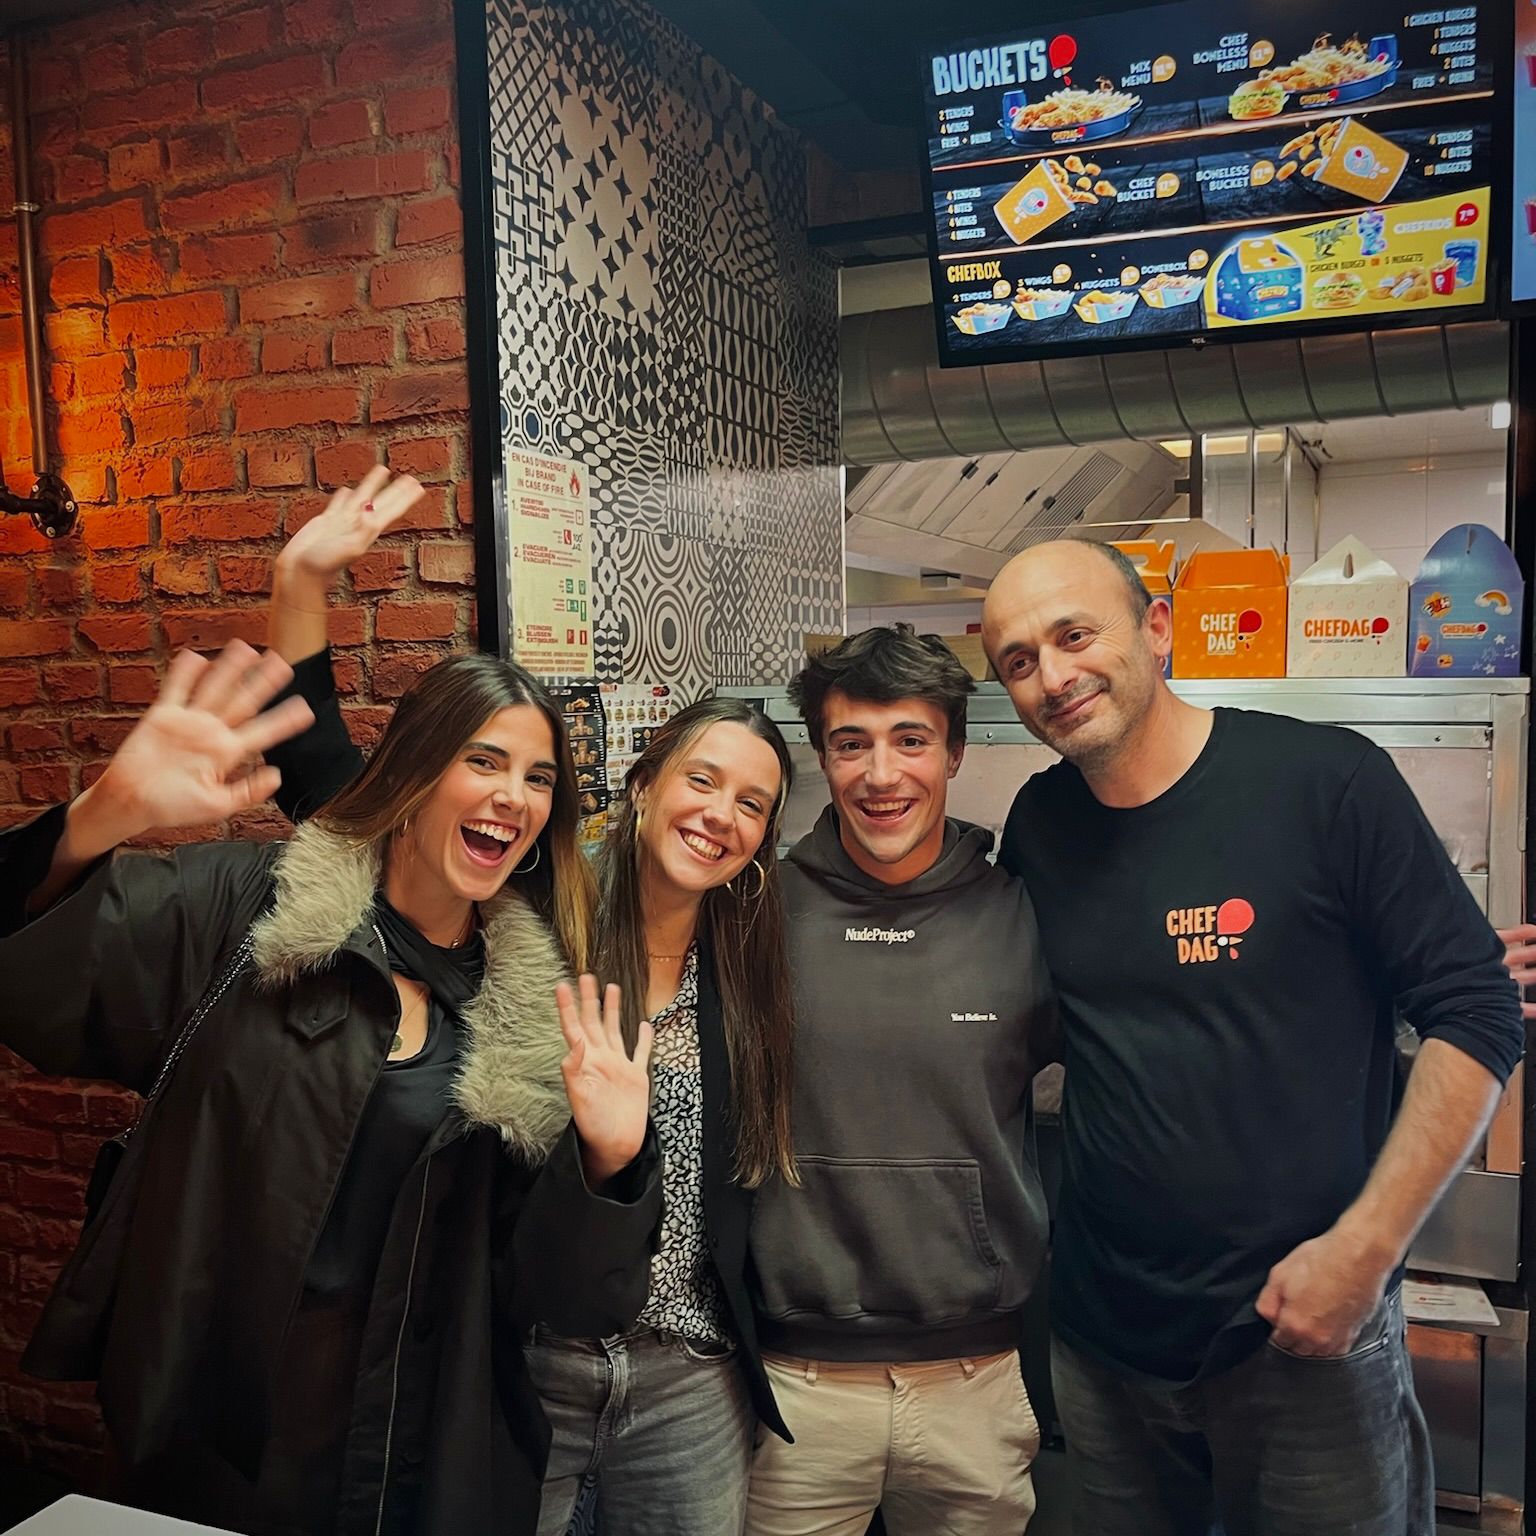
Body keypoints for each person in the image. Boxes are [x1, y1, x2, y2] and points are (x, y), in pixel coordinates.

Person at [0, 640, 663, 1536]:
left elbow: (569, 1301)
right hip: (228, 1438)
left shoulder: (540, 1019)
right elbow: (31, 981)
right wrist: (101, 814)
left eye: (540, 778)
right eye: (484, 760)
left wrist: (613, 1160)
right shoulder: (255, 912)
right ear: (414, 769)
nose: (515, 795)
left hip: (424, 1452)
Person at [261, 469, 801, 1536]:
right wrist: (298, 589)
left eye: (752, 804)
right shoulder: (525, 924)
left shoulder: (748, 983)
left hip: (690, 1380)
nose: (719, 815)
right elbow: (339, 791)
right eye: (701, 780)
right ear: (642, 784)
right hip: (517, 1363)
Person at [980, 538, 1525, 1536]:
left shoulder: (1324, 783)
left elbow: (1478, 1011)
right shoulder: (1040, 823)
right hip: (1107, 1344)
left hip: (1308, 1339)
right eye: (1018, 660)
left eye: (1073, 635)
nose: (1052, 676)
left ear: (1158, 629)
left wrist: (1362, 1258)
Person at [743, 624, 1056, 1536]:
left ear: (955, 751)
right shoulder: (756, 907)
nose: (882, 776)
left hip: (977, 1380)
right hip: (792, 1384)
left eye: (910, 740)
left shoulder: (1021, 912)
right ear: (822, 757)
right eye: (852, 744)